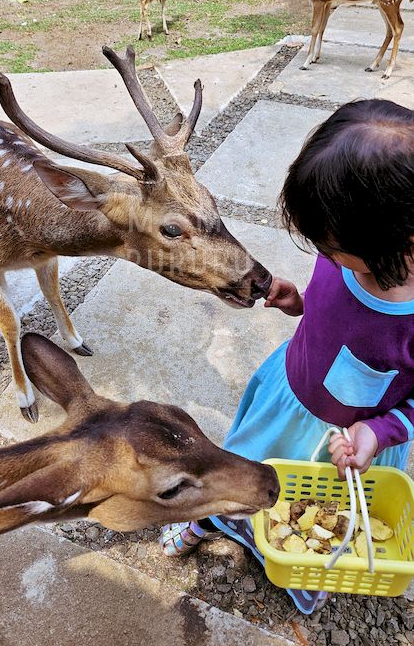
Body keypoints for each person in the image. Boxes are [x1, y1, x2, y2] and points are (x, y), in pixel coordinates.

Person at [160, 98, 414, 614]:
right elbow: (336, 316)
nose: (324, 254)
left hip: (345, 443)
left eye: (333, 247)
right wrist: (300, 303)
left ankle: (311, 566)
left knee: (317, 513)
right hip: (288, 395)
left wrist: (379, 432)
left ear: (403, 240)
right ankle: (209, 518)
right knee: (237, 466)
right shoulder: (347, 251)